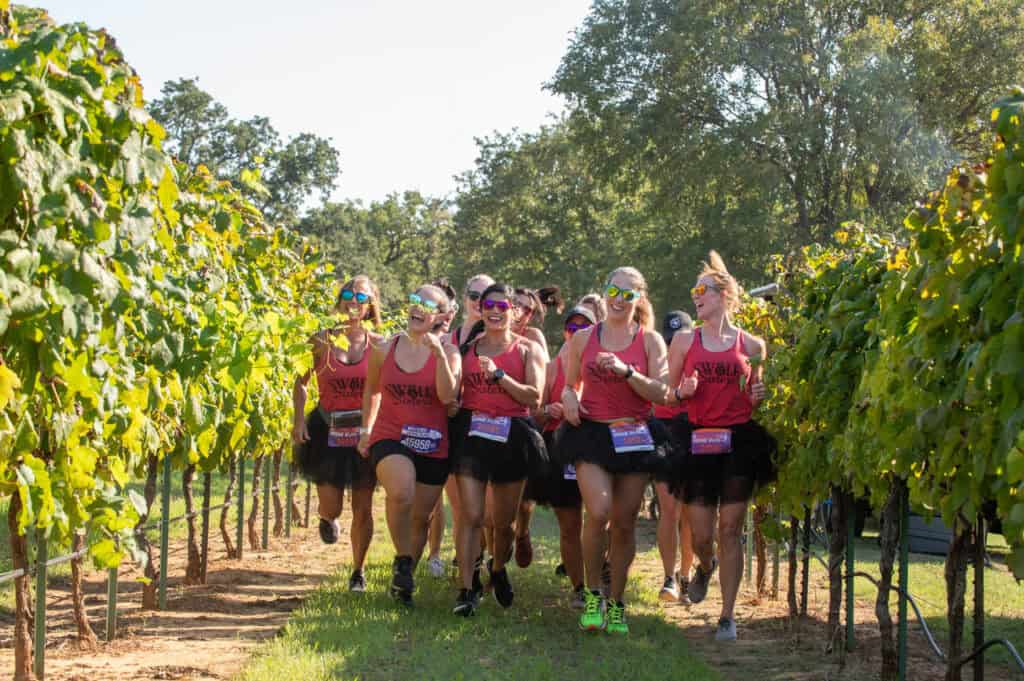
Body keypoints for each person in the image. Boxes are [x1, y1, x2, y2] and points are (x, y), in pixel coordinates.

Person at [558, 267, 676, 634]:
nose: (618, 300)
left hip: (635, 438)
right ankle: (592, 595)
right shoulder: (583, 339)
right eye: (613, 291)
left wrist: (628, 372)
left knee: (624, 523)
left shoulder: (651, 341)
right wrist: (569, 401)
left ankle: (617, 603)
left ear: (638, 299)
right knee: (600, 510)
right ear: (604, 291)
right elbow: (568, 386)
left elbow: (662, 393)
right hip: (591, 436)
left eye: (627, 294)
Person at [667, 251, 775, 641]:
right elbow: (666, 394)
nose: (696, 296)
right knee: (702, 535)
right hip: (697, 439)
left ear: (724, 295)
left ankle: (727, 616)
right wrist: (683, 391)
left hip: (738, 441)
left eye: (703, 289)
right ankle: (705, 564)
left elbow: (754, 394)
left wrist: (759, 394)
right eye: (694, 290)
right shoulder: (684, 340)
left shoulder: (753, 344)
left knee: (730, 528)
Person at [357, 284, 461, 607]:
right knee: (401, 492)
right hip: (391, 435)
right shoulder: (384, 350)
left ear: (441, 316)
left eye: (427, 304)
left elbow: (447, 396)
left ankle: (404, 580)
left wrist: (439, 354)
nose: (417, 307)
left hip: (432, 443)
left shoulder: (450, 353)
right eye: (414, 300)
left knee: (421, 518)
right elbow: (372, 391)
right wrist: (365, 429)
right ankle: (403, 559)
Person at [449, 283, 547, 616]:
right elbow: (453, 392)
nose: (494, 311)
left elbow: (534, 396)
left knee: (502, 523)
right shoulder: (467, 350)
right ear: (481, 309)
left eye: (502, 306)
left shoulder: (526, 349)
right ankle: (466, 589)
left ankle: (498, 568)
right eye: (488, 304)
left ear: (514, 311)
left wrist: (500, 375)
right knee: (471, 516)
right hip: (472, 436)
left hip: (512, 437)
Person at [292, 275, 384, 593]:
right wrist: (298, 420)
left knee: (363, 506)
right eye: (348, 294)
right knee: (331, 505)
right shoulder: (320, 340)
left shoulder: (380, 345)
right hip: (327, 429)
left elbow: (383, 392)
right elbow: (300, 383)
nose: (354, 301)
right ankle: (327, 519)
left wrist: (372, 429)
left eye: (361, 296)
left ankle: (358, 570)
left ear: (372, 304)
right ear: (339, 300)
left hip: (364, 432)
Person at [531, 304, 596, 607]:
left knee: (601, 519)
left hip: (599, 452)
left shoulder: (602, 363)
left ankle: (600, 576)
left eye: (585, 328)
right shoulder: (552, 367)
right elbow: (534, 414)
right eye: (572, 328)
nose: (577, 333)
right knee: (570, 524)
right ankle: (580, 588)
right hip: (561, 453)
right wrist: (548, 410)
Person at [510, 285, 565, 567]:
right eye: (514, 304)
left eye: (527, 308)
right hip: (489, 418)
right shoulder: (487, 332)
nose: (519, 312)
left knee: (523, 492)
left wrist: (540, 412)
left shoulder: (534, 338)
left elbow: (543, 382)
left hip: (528, 416)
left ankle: (522, 532)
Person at [652, 310, 695, 603]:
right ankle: (669, 577)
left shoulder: (701, 358)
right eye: (668, 341)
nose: (671, 347)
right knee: (669, 507)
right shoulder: (655, 360)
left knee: (691, 512)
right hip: (663, 431)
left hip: (695, 431)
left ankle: (686, 573)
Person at [425, 279, 459, 578]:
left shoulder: (456, 342)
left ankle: (436, 554)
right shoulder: (407, 337)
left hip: (448, 426)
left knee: (441, 496)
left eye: (447, 309)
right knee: (427, 497)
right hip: (414, 423)